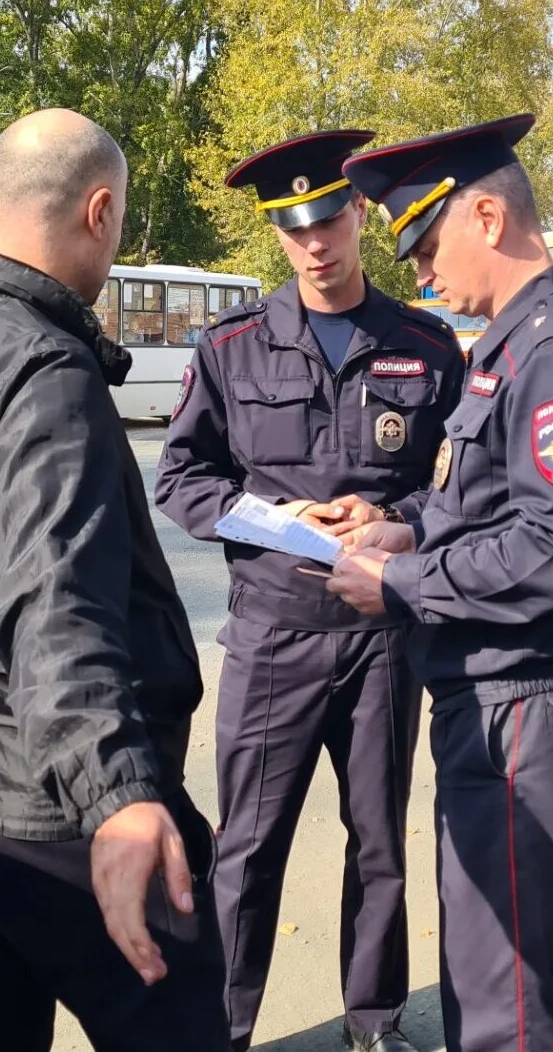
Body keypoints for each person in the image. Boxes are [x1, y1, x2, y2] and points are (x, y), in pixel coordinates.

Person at [0, 108, 225, 1052]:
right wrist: (119, 799)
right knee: (182, 1014)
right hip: (58, 811)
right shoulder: (45, 371)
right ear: (100, 211)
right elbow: (52, 605)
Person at [330, 114, 553, 1051]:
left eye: (427, 245)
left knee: (504, 1010)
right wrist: (401, 526)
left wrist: (402, 584)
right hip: (502, 696)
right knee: (525, 984)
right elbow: (490, 506)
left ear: (487, 217)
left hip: (524, 703)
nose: (422, 276)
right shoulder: (516, 343)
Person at [156, 129, 464, 1052]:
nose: (315, 244)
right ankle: (224, 1029)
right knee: (245, 852)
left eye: (328, 219)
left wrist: (395, 516)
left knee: (379, 846)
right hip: (273, 639)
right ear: (278, 237)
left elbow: (461, 486)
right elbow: (182, 479)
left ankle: (373, 1025)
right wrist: (281, 522)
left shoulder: (425, 345)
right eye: (294, 231)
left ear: (358, 214)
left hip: (381, 641)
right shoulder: (234, 346)